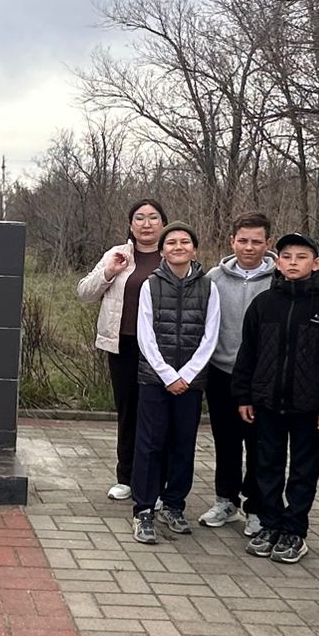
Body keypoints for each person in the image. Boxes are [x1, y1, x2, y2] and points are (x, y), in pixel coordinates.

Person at [233, 233, 319, 565]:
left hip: (309, 407)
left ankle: (294, 530)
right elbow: (248, 353)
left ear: (317, 263)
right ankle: (269, 524)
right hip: (267, 402)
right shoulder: (264, 303)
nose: (293, 262)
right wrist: (244, 395)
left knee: (303, 470)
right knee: (266, 466)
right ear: (278, 262)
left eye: (301, 257)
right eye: (286, 256)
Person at [130, 223, 219, 544]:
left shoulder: (209, 287)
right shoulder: (150, 285)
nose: (178, 246)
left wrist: (187, 375)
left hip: (190, 383)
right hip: (154, 380)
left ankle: (174, 505)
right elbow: (145, 335)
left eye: (185, 241)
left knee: (183, 444)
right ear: (162, 250)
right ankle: (144, 509)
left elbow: (211, 335)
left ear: (194, 249)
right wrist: (168, 375)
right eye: (171, 242)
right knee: (150, 444)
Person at [77, 199, 167, 503]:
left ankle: (155, 482)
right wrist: (109, 272)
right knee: (129, 412)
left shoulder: (172, 255)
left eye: (153, 217)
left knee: (157, 415)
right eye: (139, 218)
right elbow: (84, 293)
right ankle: (126, 478)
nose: (146, 223)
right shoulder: (117, 254)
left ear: (164, 224)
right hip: (123, 345)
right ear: (131, 225)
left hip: (161, 349)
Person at [199, 213, 275, 534]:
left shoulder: (279, 279)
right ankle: (225, 500)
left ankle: (256, 507)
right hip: (221, 372)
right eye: (242, 240)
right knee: (226, 441)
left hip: (262, 376)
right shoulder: (214, 278)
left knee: (259, 445)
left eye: (257, 241)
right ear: (232, 241)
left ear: (268, 243)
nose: (249, 247)